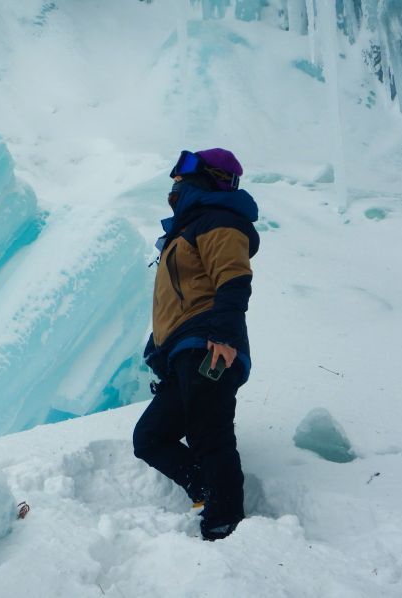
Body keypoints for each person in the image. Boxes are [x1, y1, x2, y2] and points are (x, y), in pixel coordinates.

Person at [133, 148, 259, 541]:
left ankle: (225, 524)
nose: (176, 179)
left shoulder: (219, 220)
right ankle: (207, 489)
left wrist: (224, 335)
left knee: (210, 434)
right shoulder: (188, 228)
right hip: (185, 351)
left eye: (184, 170)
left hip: (208, 346)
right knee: (149, 438)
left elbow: (233, 279)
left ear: (210, 178)